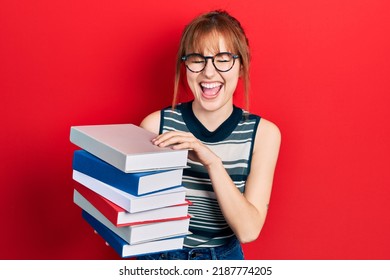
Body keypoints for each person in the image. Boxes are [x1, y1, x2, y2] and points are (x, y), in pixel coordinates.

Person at [138, 10, 281, 260]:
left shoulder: (264, 134)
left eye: (223, 58)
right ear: (186, 65)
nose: (209, 72)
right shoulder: (154, 126)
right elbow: (136, 212)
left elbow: (248, 230)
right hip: (158, 258)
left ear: (241, 67)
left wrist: (212, 162)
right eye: (197, 59)